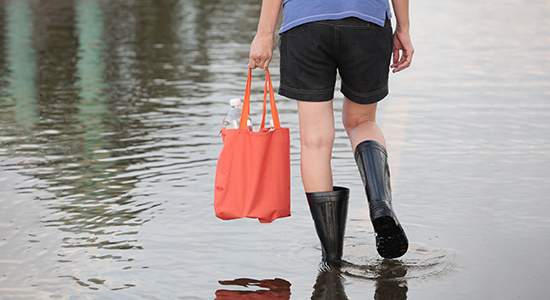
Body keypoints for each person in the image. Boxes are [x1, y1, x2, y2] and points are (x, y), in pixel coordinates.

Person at [249, 0, 414, 266]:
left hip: (306, 24)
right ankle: (380, 204)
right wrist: (403, 29)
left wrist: (264, 34)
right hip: (366, 21)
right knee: (361, 121)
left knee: (315, 141)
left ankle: (332, 257)